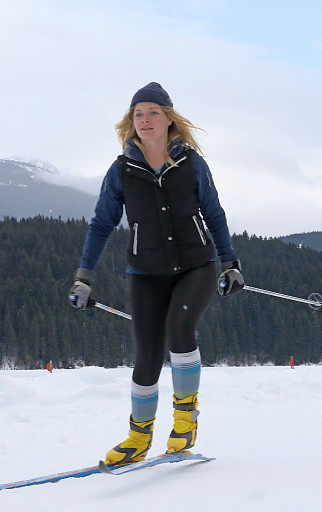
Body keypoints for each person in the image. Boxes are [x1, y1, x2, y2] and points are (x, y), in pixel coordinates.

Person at [69, 82, 244, 465]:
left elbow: (214, 215)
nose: (145, 120)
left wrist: (230, 263)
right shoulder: (122, 171)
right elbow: (101, 224)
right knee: (146, 355)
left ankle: (185, 423)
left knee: (178, 332)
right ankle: (138, 438)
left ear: (168, 118)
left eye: (152, 112)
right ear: (131, 123)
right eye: (138, 114)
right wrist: (85, 275)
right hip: (145, 271)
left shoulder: (193, 164)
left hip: (196, 265)